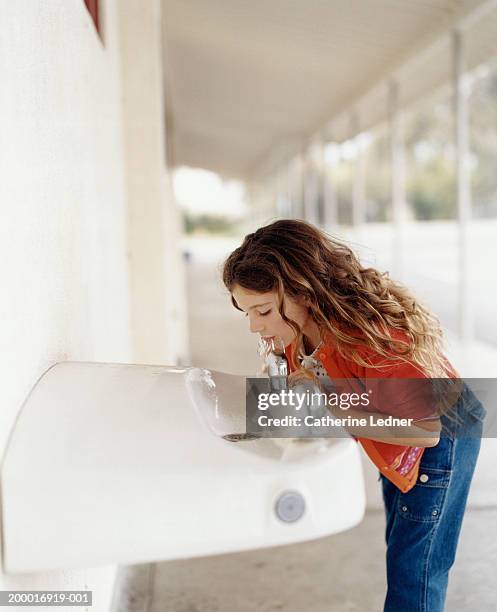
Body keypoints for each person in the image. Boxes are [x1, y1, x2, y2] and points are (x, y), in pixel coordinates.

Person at [222, 219, 486, 612]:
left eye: (262, 311)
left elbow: (424, 430)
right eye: (247, 313)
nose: (253, 326)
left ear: (302, 293)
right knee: (403, 548)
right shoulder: (298, 332)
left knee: (416, 571)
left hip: (441, 437)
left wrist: (331, 404)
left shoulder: (373, 335)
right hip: (395, 437)